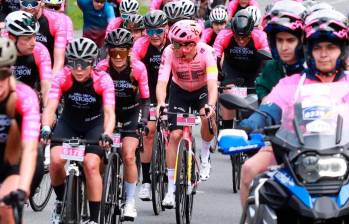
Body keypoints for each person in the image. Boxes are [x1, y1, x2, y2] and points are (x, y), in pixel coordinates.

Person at [239, 8, 349, 207]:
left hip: (342, 155)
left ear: (342, 50)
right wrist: (250, 125)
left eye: (330, 47)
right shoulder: (292, 83)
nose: (324, 54)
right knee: (249, 170)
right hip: (291, 151)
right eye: (318, 48)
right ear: (309, 50)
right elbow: (269, 109)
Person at [41, 37, 115, 224]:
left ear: (92, 63)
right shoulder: (62, 77)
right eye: (74, 63)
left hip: (94, 125)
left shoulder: (103, 80)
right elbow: (50, 107)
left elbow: (109, 112)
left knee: (91, 165)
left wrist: (107, 133)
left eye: (84, 63)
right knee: (56, 162)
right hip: (69, 123)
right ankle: (60, 201)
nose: (79, 69)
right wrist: (46, 128)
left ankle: (94, 218)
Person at [156, 20, 218, 208]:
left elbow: (213, 83)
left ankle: (205, 155)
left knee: (206, 117)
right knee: (174, 135)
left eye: (186, 45)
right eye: (177, 45)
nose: (181, 50)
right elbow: (162, 82)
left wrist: (211, 105)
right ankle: (171, 190)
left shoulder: (207, 52)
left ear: (195, 43)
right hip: (179, 91)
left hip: (202, 91)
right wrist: (160, 102)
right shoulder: (168, 52)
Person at [97, 28, 150, 220]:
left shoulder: (138, 68)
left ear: (129, 52)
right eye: (113, 53)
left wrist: (143, 121)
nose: (117, 57)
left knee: (128, 156)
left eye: (122, 52)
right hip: (108, 111)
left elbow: (145, 99)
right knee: (99, 154)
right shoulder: (102, 67)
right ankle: (101, 188)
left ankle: (129, 202)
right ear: (108, 52)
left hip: (131, 111)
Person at [0, 37, 40, 224]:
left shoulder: (25, 97)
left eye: (2, 76)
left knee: (4, 206)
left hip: (16, 162)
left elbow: (30, 149)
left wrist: (22, 189)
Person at [132, 10, 170, 201]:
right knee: (149, 131)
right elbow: (134, 67)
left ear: (166, 28)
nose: (154, 36)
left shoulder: (174, 42)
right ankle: (146, 181)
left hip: (172, 90)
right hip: (148, 90)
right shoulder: (141, 45)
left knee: (176, 133)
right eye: (150, 32)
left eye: (158, 31)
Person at [213, 8, 270, 129]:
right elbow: (214, 57)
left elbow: (268, 59)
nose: (241, 40)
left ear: (252, 31)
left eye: (245, 37)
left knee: (255, 101)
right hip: (232, 70)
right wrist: (217, 74)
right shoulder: (224, 35)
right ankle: (226, 129)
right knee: (228, 93)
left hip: (254, 71)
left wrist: (265, 77)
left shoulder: (260, 36)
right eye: (237, 37)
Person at [255, 0, 306, 101]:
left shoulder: (314, 67)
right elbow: (262, 87)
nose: (284, 47)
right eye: (279, 40)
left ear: (302, 40)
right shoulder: (272, 67)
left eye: (290, 40)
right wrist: (266, 101)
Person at [5, 11, 52, 106]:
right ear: (12, 38)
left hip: (29, 102)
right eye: (27, 38)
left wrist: (47, 109)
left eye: (34, 36)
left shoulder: (40, 50)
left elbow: (47, 85)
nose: (34, 42)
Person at [19, 0, 67, 75]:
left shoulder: (56, 21)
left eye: (33, 3)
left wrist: (52, 83)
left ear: (41, 2)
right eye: (25, 2)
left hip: (49, 71)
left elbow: (59, 61)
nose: (29, 7)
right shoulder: (12, 20)